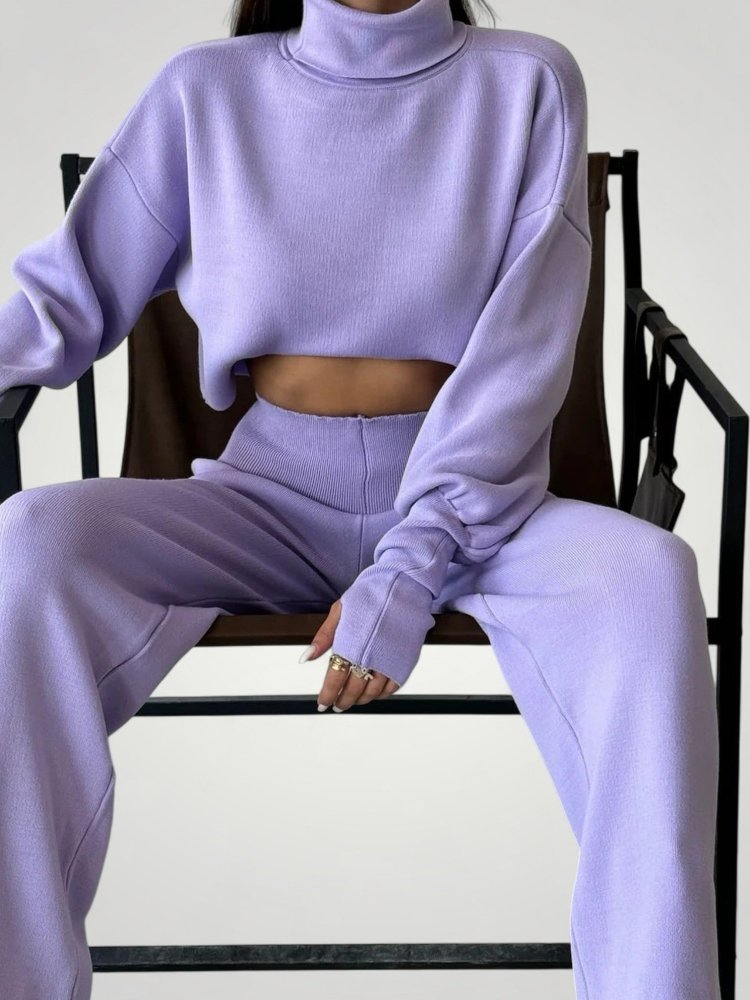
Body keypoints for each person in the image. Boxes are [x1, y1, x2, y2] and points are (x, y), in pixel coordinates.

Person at [0, 0, 721, 997]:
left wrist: (411, 569)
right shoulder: (205, 90)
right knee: (28, 542)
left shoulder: (529, 80)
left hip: (479, 506)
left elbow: (521, 355)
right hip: (265, 494)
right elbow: (62, 298)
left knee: (650, 578)